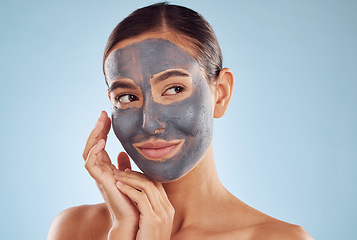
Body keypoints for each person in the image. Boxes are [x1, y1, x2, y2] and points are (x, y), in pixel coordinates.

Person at [48, 2, 313, 240]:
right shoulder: (75, 229)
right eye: (127, 97)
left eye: (174, 89)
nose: (150, 124)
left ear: (220, 94)